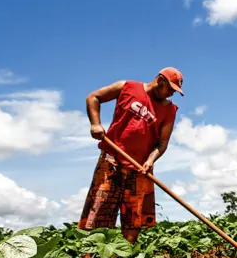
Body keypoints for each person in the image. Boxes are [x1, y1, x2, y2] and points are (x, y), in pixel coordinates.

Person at [78, 67, 183, 244]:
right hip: (112, 160)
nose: (170, 94)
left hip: (140, 169)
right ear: (160, 80)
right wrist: (95, 124)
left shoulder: (169, 110)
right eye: (170, 89)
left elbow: (162, 143)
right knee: (98, 217)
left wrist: (150, 161)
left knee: (133, 223)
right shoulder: (127, 87)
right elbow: (93, 97)